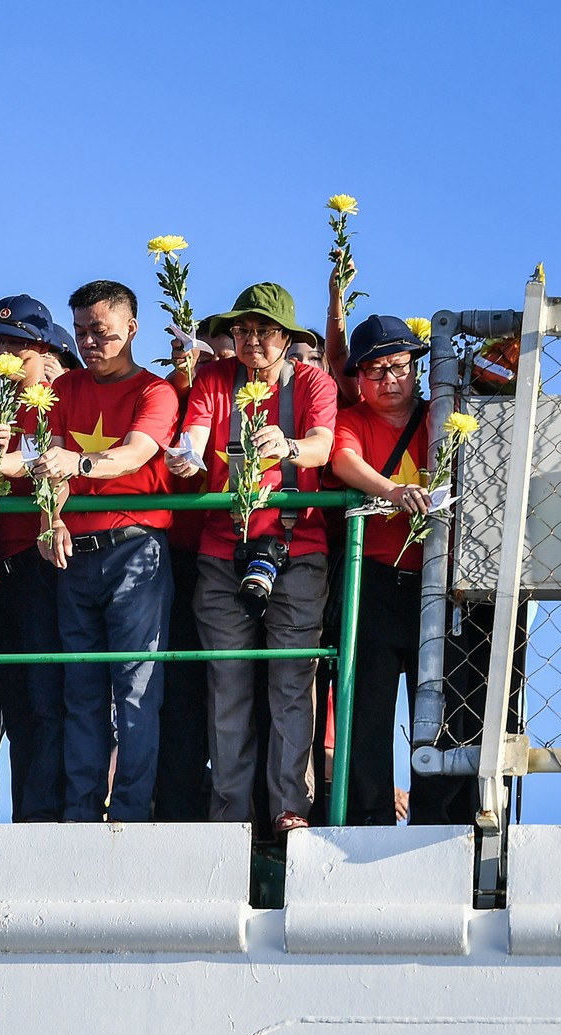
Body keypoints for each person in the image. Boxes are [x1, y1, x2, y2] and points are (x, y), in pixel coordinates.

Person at [166, 283, 337, 833]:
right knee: (228, 684)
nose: (251, 340)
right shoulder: (215, 379)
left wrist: (285, 447)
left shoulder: (314, 381)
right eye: (242, 330)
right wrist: (187, 460)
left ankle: (290, 811)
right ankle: (231, 817)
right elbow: (193, 435)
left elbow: (321, 444)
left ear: (287, 338)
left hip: (297, 548)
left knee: (291, 682)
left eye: (262, 331)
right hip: (221, 551)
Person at [33, 279, 179, 822]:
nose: (90, 342)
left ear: (131, 328)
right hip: (75, 556)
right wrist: (50, 522)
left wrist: (79, 464)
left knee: (138, 690)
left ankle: (133, 814)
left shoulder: (155, 391)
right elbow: (47, 464)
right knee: (82, 692)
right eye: (81, 333)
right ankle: (80, 813)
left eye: (101, 331)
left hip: (136, 552)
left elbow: (135, 455)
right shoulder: (65, 389)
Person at [326, 316, 438, 826]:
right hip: (371, 581)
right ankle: (368, 822)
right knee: (366, 710)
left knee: (434, 712)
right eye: (374, 371)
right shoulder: (353, 418)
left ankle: (438, 820)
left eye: (398, 366)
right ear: (359, 379)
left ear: (416, 367)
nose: (389, 379)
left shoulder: (442, 416)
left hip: (436, 587)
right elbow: (343, 460)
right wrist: (393, 492)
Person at [0, 294, 70, 822]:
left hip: (40, 565)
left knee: (40, 701)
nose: (4, 352)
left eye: (17, 344)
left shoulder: (56, 400)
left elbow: (57, 467)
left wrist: (7, 456)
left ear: (44, 348)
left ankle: (39, 819)